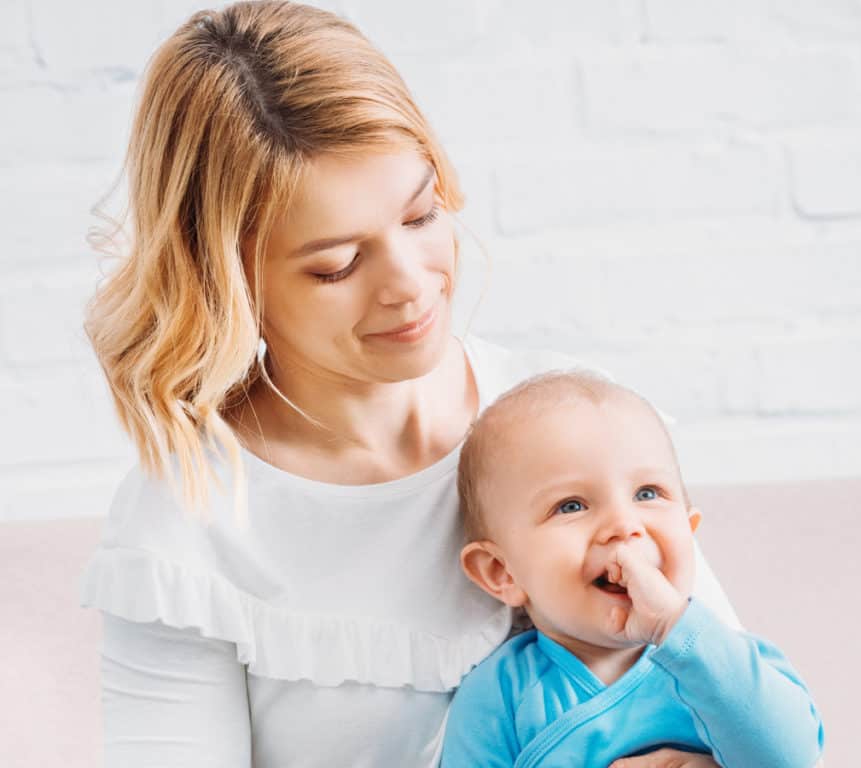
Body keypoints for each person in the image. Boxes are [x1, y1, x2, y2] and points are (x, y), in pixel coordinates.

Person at [79, 2, 743, 766]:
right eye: (336, 265)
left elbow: (743, 703)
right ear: (229, 281)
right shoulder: (190, 521)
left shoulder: (572, 425)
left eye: (422, 215)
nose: (410, 285)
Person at [443, 372, 825, 767]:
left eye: (647, 493)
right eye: (572, 505)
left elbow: (793, 759)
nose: (624, 526)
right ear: (501, 571)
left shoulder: (726, 662)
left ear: (688, 533)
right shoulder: (499, 698)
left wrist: (676, 627)